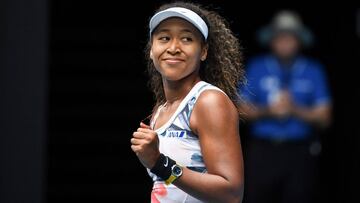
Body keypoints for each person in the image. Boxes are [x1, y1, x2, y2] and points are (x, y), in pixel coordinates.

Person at [130, 1, 245, 202]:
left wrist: (159, 162)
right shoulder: (160, 109)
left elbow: (231, 194)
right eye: (164, 38)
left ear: (203, 51)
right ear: (151, 49)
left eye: (187, 39)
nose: (173, 48)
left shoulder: (209, 101)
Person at [239, 10, 332, 203]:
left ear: (299, 40)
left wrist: (295, 109)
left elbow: (325, 117)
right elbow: (240, 110)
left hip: (300, 152)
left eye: (290, 37)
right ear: (272, 40)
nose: (285, 42)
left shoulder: (313, 69)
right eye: (280, 37)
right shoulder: (257, 66)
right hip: (262, 150)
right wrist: (268, 111)